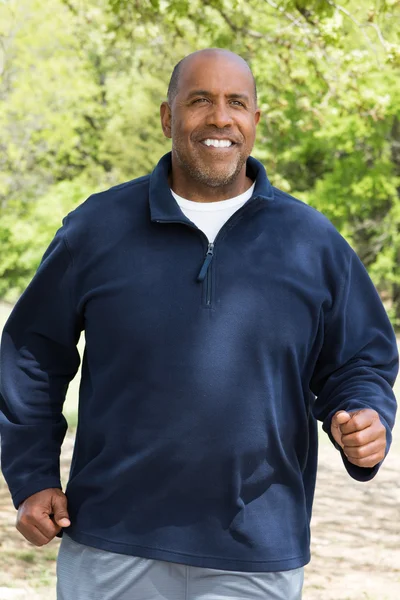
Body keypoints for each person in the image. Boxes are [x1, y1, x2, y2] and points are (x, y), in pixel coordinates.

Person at [0, 48, 398, 600]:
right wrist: (33, 476)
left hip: (255, 551)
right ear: (168, 118)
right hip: (112, 541)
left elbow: (358, 360)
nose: (220, 118)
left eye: (237, 102)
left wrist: (365, 417)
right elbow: (32, 354)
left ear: (255, 121)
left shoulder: (311, 242)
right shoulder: (95, 229)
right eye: (200, 101)